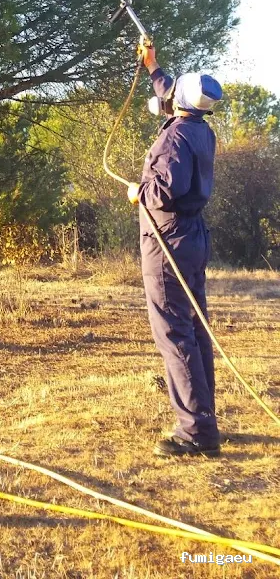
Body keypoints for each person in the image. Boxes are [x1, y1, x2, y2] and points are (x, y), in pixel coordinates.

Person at [126, 45, 223, 457]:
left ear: (179, 105)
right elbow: (168, 93)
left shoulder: (176, 137)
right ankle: (204, 418)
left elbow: (164, 191)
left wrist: (137, 193)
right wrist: (152, 65)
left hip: (167, 240)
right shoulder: (200, 129)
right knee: (195, 327)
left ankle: (197, 433)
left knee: (174, 331)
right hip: (192, 239)